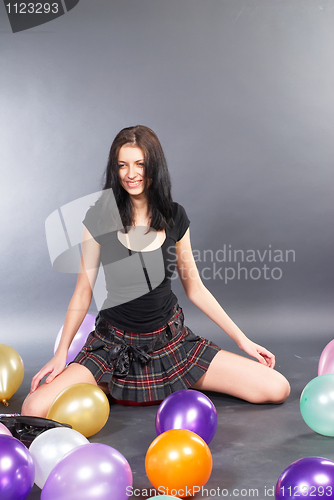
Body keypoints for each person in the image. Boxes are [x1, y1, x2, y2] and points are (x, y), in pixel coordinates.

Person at [21, 125, 290, 417]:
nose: (131, 173)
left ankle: (168, 379)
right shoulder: (99, 216)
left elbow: (195, 289)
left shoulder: (175, 216)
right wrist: (61, 354)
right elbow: (83, 292)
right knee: (34, 407)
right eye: (122, 165)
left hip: (171, 344)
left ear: (154, 167)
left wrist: (243, 340)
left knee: (276, 388)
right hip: (114, 347)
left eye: (139, 164)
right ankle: (116, 382)